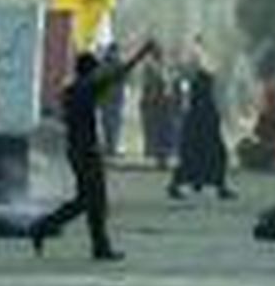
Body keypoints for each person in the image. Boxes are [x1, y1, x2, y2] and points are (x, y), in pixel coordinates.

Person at [32, 39, 157, 262]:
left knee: (85, 201)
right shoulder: (87, 89)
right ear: (90, 71)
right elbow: (119, 73)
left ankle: (45, 228)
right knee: (95, 201)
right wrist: (142, 53)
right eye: (95, 69)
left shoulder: (71, 90)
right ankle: (95, 245)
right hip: (87, 151)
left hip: (76, 151)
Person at [169, 68, 235, 200]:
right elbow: (208, 122)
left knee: (205, 162)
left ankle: (214, 186)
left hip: (202, 141)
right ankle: (179, 185)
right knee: (203, 162)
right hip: (201, 141)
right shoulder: (202, 101)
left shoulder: (199, 101)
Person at [139, 47, 179, 170]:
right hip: (161, 104)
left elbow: (153, 87)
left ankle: (162, 157)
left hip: (160, 105)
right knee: (161, 131)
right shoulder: (159, 69)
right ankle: (161, 157)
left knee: (161, 131)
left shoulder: (157, 69)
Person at [98, 44, 126, 157]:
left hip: (108, 98)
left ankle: (109, 146)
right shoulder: (119, 64)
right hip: (115, 99)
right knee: (114, 123)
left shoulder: (104, 63)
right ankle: (112, 146)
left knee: (108, 123)